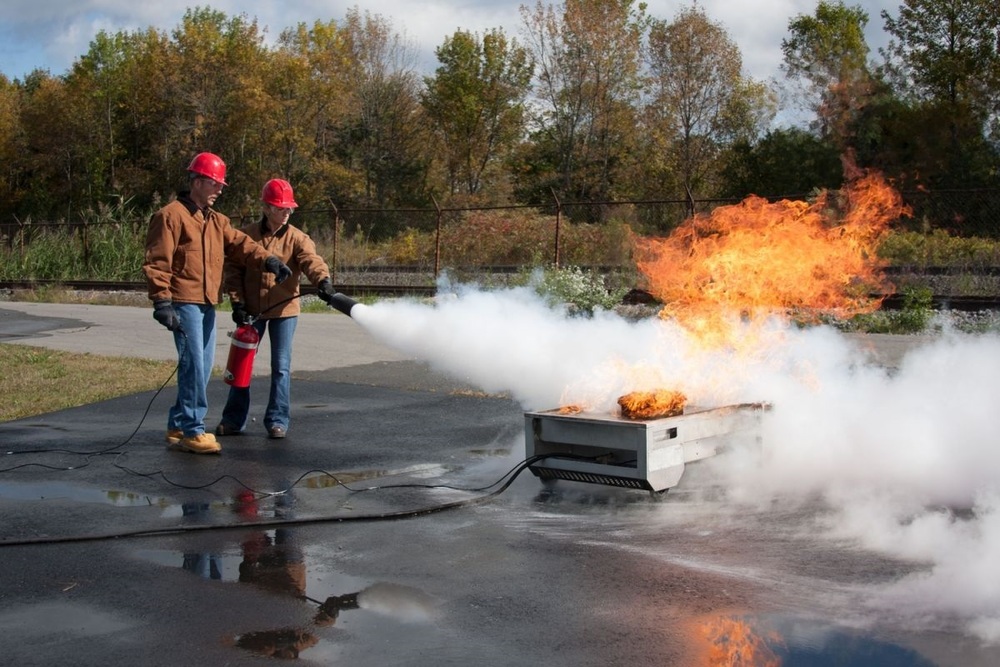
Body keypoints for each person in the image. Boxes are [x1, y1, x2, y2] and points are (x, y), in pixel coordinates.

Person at [143, 152, 292, 455]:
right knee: (194, 365)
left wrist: (270, 261)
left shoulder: (215, 221)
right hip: (183, 301)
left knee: (202, 365)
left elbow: (241, 245)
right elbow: (157, 262)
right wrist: (162, 301)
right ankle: (193, 431)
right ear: (197, 181)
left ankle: (177, 422)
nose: (220, 190)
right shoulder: (170, 216)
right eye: (215, 184)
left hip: (207, 301)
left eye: (220, 185)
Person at [215, 178, 337, 440]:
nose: (287, 213)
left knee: (281, 366)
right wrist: (237, 303)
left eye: (289, 209)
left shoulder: (297, 238)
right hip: (252, 311)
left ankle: (277, 420)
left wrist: (323, 281)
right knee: (242, 363)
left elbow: (312, 262)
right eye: (282, 208)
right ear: (267, 207)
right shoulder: (247, 236)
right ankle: (233, 420)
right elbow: (233, 272)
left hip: (284, 311)